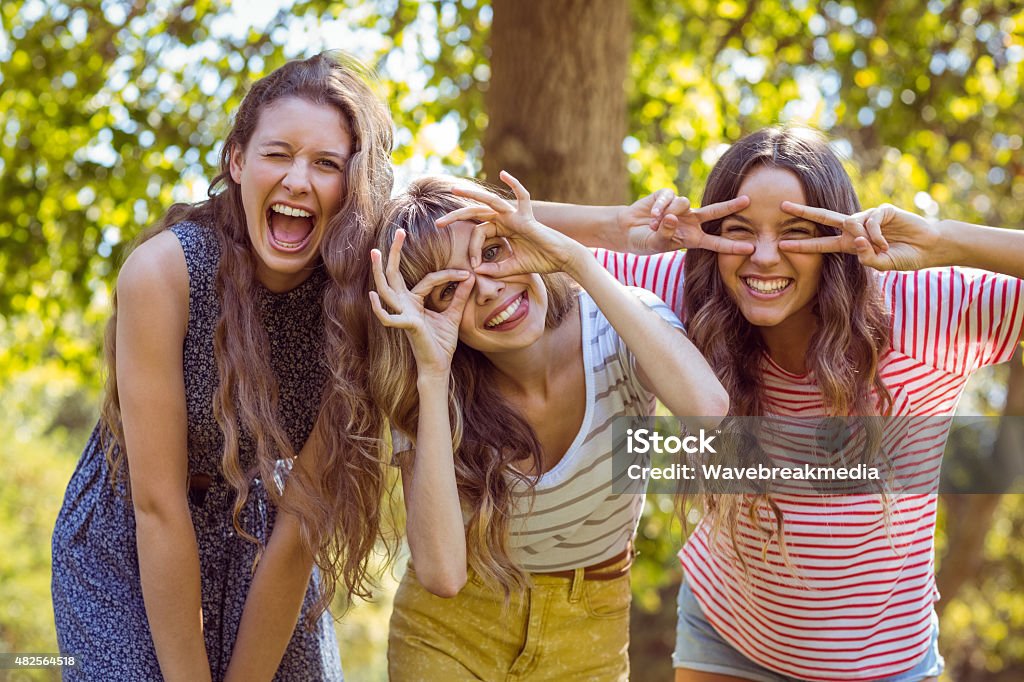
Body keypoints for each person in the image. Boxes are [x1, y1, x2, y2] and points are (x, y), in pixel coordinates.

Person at [566, 126, 1024, 681]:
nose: (763, 257)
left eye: (795, 232)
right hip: (724, 639)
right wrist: (614, 226)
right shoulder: (688, 289)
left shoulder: (923, 306)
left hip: (885, 662)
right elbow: (487, 226)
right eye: (739, 231)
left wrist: (944, 240)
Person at [51, 51, 394, 681]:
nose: (297, 180)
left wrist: (621, 226)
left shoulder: (356, 303)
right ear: (237, 162)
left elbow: (299, 526)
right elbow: (158, 507)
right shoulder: (163, 274)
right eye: (277, 153)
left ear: (354, 186)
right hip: (130, 536)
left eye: (326, 164)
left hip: (259, 529)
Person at [366, 172, 729, 680]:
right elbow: (443, 574)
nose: (488, 290)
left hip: (589, 629)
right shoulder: (431, 385)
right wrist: (431, 372)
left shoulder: (616, 326)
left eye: (492, 252)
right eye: (451, 289)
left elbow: (708, 410)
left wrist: (576, 257)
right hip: (451, 632)